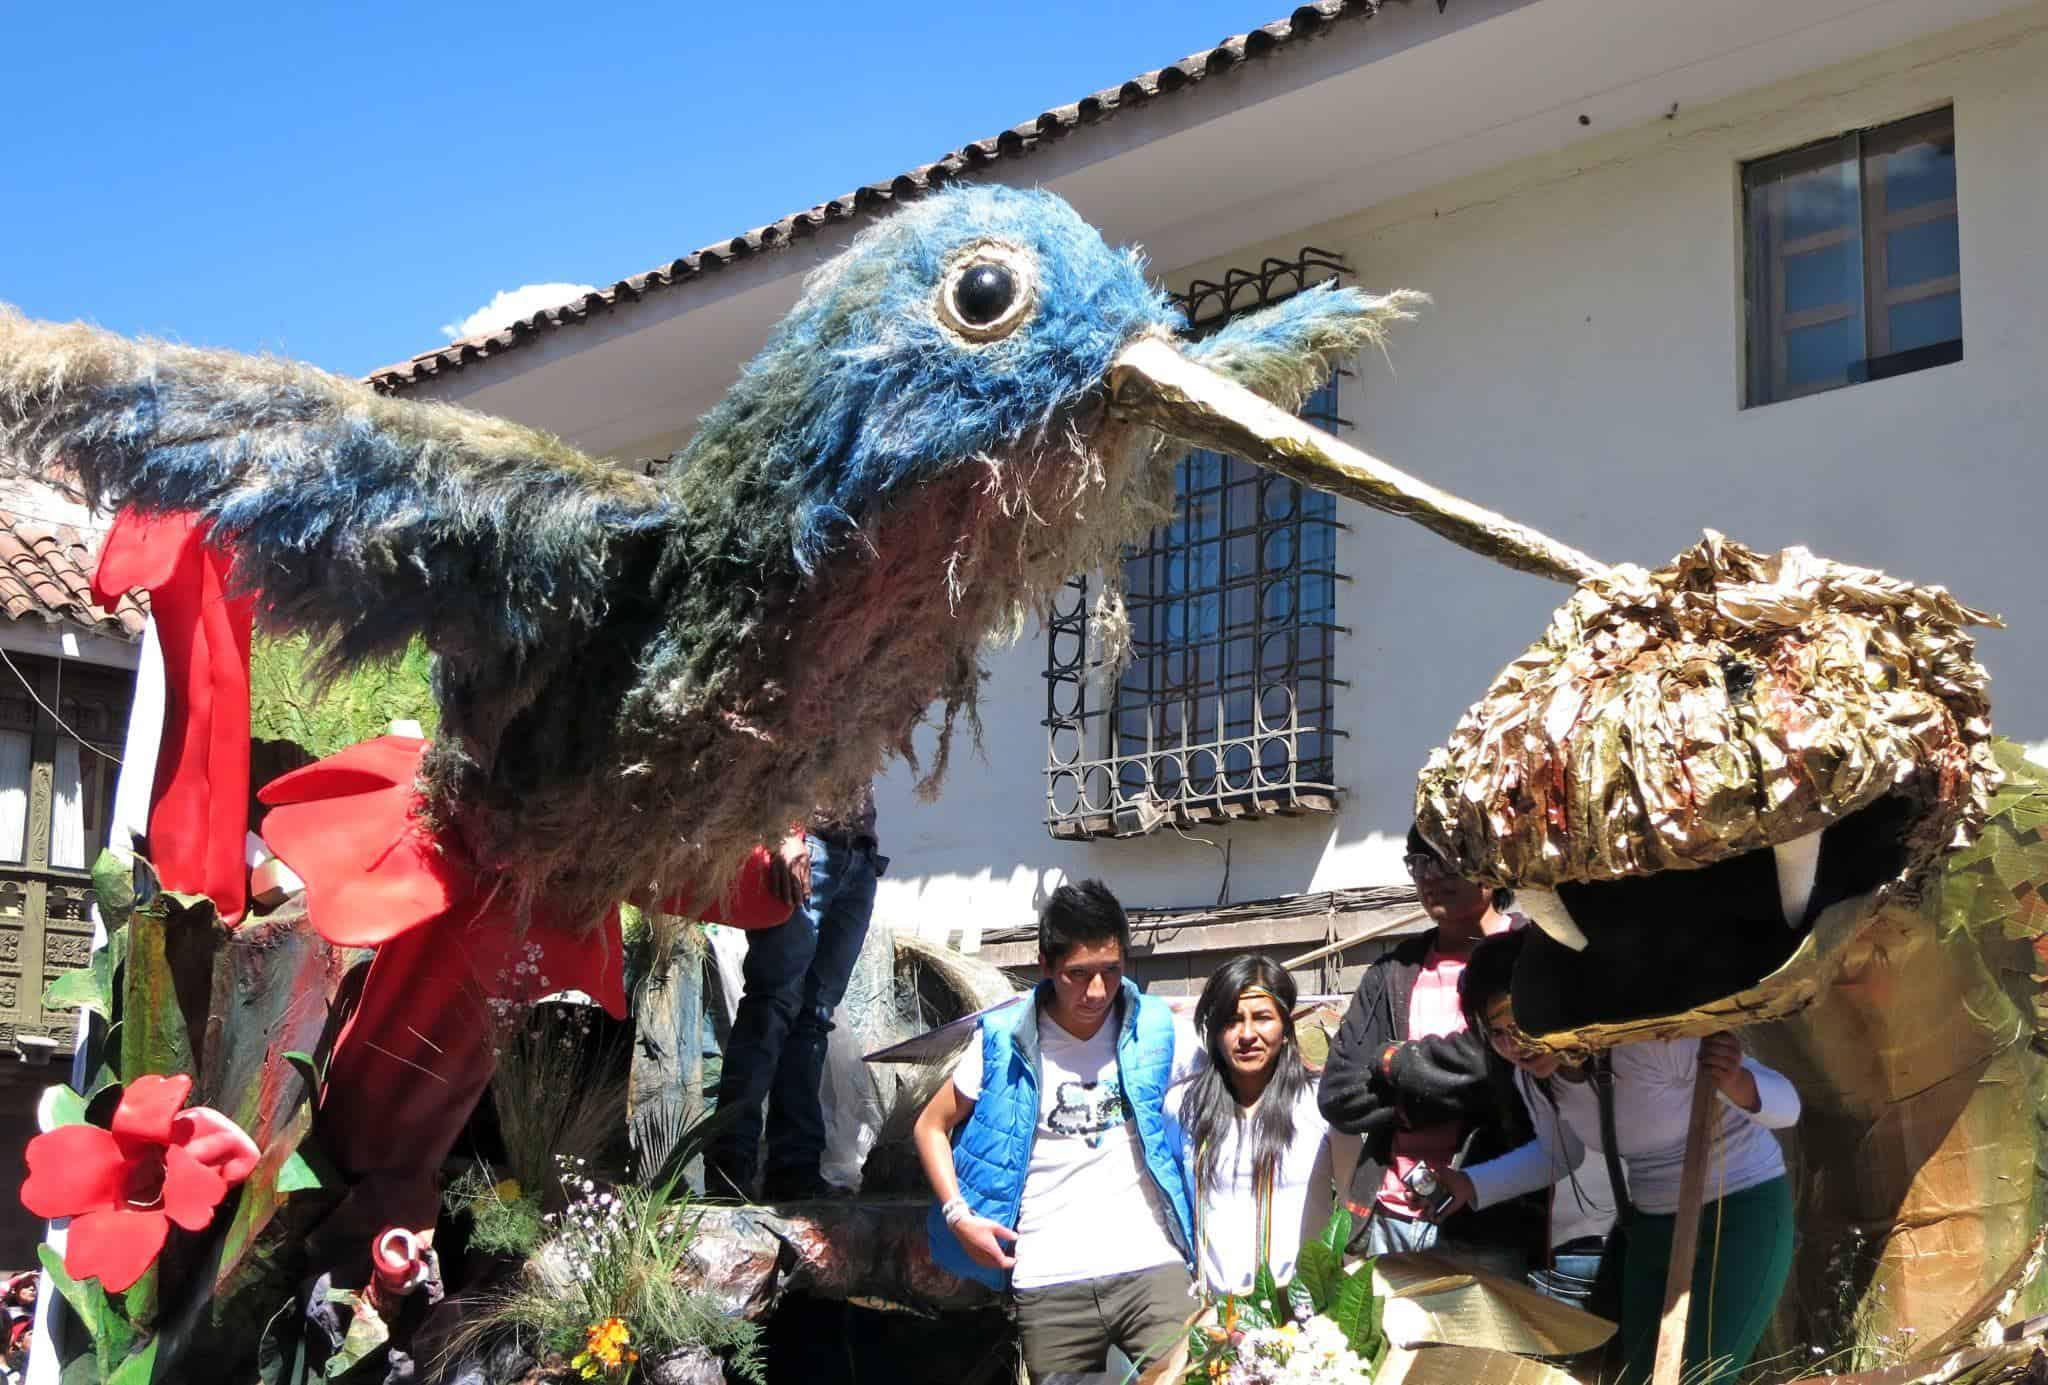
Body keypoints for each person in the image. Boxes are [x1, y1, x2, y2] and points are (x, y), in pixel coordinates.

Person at [1435, 930, 1800, 1384]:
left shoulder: (1651, 1042)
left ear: (1552, 1000)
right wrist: (1472, 1184)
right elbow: (1559, 1152)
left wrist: (1738, 1083)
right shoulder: (1537, 1080)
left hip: (1740, 1216)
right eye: (1498, 1034)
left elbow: (1789, 1107)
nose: (1516, 1045)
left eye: (1521, 1022)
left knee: (1701, 1379)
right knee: (1635, 1378)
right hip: (1650, 1229)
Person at [915, 880, 1202, 1383]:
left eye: (1110, 971)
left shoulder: (1157, 1027)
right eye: (1078, 974)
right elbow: (930, 1125)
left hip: (1152, 1265)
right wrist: (960, 1217)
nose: (1096, 992)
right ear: (1046, 965)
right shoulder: (1003, 1040)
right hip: (1049, 1278)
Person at [1316, 826, 1543, 1277]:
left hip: (1491, 1221)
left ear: (1492, 866)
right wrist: (1430, 1097)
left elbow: (1495, 1067)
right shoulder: (1392, 972)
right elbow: (1338, 1093)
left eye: (1448, 859)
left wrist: (1391, 1062)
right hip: (1388, 1218)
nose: (1431, 875)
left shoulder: (1529, 957)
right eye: (1419, 863)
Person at [709, 787, 887, 1201]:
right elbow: (773, 751)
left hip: (856, 854)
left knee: (814, 1016)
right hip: (805, 845)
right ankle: (730, 1168)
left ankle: (795, 1169)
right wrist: (786, 837)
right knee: (771, 1007)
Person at [1169, 955, 1359, 1297]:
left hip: (1303, 1314)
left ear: (1286, 1029)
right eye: (1231, 1020)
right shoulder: (1183, 1108)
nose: (1247, 1034)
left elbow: (1353, 1211)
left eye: (1262, 1018)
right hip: (1217, 1317)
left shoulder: (1322, 1106)